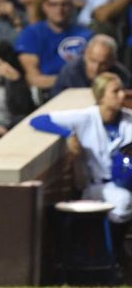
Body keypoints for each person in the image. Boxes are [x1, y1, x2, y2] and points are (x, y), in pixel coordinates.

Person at [30, 72, 132, 226]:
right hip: (96, 186)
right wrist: (68, 134)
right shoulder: (86, 117)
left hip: (126, 181)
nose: (122, 94)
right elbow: (38, 120)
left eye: (122, 90)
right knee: (123, 200)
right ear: (101, 96)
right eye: (115, 91)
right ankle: (114, 243)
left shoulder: (128, 118)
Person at [16, 0, 93, 101]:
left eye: (64, 4)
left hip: (86, 95)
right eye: (54, 4)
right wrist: (69, 80)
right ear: (45, 7)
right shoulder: (31, 34)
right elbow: (34, 79)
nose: (60, 9)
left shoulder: (87, 35)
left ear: (72, 7)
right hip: (51, 96)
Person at [53, 34, 132, 97]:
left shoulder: (122, 75)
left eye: (102, 64)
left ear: (112, 61)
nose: (96, 68)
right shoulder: (70, 73)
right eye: (92, 61)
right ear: (85, 55)